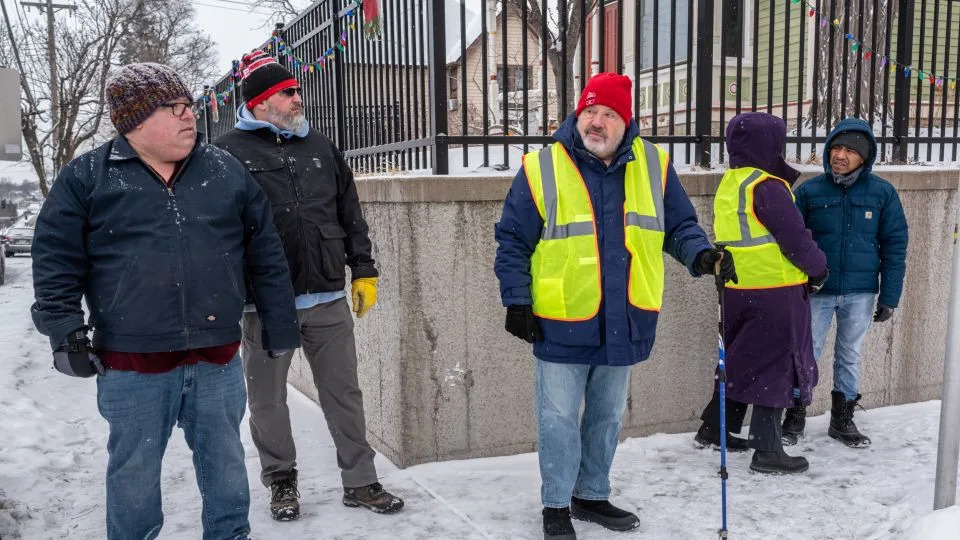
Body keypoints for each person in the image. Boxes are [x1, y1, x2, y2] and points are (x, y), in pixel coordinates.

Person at [30, 63, 301, 540]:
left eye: (189, 107)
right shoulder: (89, 177)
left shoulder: (224, 170)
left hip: (215, 358)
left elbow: (266, 254)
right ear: (134, 121)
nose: (188, 117)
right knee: (133, 473)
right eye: (172, 109)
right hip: (133, 364)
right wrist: (64, 329)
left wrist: (281, 324)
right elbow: (56, 257)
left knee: (226, 467)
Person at [493, 72, 736, 540]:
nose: (596, 122)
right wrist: (517, 300)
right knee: (559, 417)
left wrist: (702, 256)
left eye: (607, 114)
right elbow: (512, 241)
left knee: (606, 416)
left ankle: (591, 493)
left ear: (626, 122)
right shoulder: (542, 167)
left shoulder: (654, 164)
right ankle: (557, 505)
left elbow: (679, 227)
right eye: (589, 112)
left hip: (626, 316)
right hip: (561, 315)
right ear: (577, 114)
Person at [214, 50, 403, 521]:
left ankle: (360, 481)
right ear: (260, 102)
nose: (299, 97)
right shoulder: (227, 152)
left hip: (327, 297)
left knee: (344, 394)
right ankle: (282, 482)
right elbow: (217, 229)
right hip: (264, 304)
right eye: (288, 92)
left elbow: (349, 212)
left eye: (297, 90)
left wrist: (364, 269)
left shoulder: (320, 146)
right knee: (267, 401)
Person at [691, 112, 828, 474]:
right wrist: (818, 268)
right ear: (769, 145)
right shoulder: (767, 186)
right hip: (774, 292)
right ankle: (767, 450)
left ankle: (716, 429)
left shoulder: (732, 183)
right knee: (774, 367)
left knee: (740, 360)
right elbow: (795, 238)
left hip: (737, 290)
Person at [788, 118, 908, 448]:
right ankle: (795, 414)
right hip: (816, 291)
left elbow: (895, 245)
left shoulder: (882, 193)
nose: (840, 155)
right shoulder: (810, 192)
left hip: (861, 292)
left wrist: (890, 295)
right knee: (804, 352)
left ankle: (842, 419)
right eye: (836, 148)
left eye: (850, 150)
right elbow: (791, 241)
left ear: (864, 157)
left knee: (850, 355)